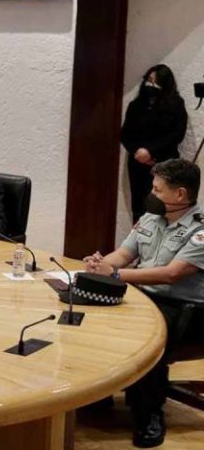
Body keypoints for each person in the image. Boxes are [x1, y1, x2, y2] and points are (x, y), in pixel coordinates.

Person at [83, 158, 204, 448]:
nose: (151, 194)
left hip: (186, 309)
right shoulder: (151, 217)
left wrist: (115, 274)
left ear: (180, 194)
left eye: (157, 189)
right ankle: (97, 398)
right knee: (90, 317)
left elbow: (172, 274)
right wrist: (100, 264)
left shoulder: (200, 230)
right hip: (144, 295)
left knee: (145, 337)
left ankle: (148, 415)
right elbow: (124, 255)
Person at [121, 64, 187, 223]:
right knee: (139, 207)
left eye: (156, 82)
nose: (151, 85)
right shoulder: (136, 105)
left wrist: (150, 152)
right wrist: (137, 152)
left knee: (160, 207)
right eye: (149, 80)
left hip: (163, 163)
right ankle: (139, 237)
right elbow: (125, 134)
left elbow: (176, 134)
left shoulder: (175, 105)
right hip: (138, 163)